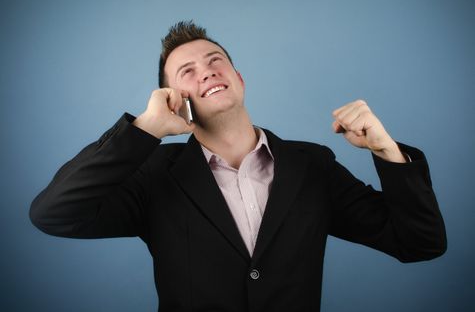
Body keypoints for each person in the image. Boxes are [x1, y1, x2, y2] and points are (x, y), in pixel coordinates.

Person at [30, 21, 447, 312]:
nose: (207, 71)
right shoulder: (154, 175)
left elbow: (419, 243)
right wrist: (144, 129)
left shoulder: (312, 166)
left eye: (216, 61)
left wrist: (386, 150)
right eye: (187, 71)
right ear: (173, 97)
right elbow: (54, 213)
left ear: (239, 77)